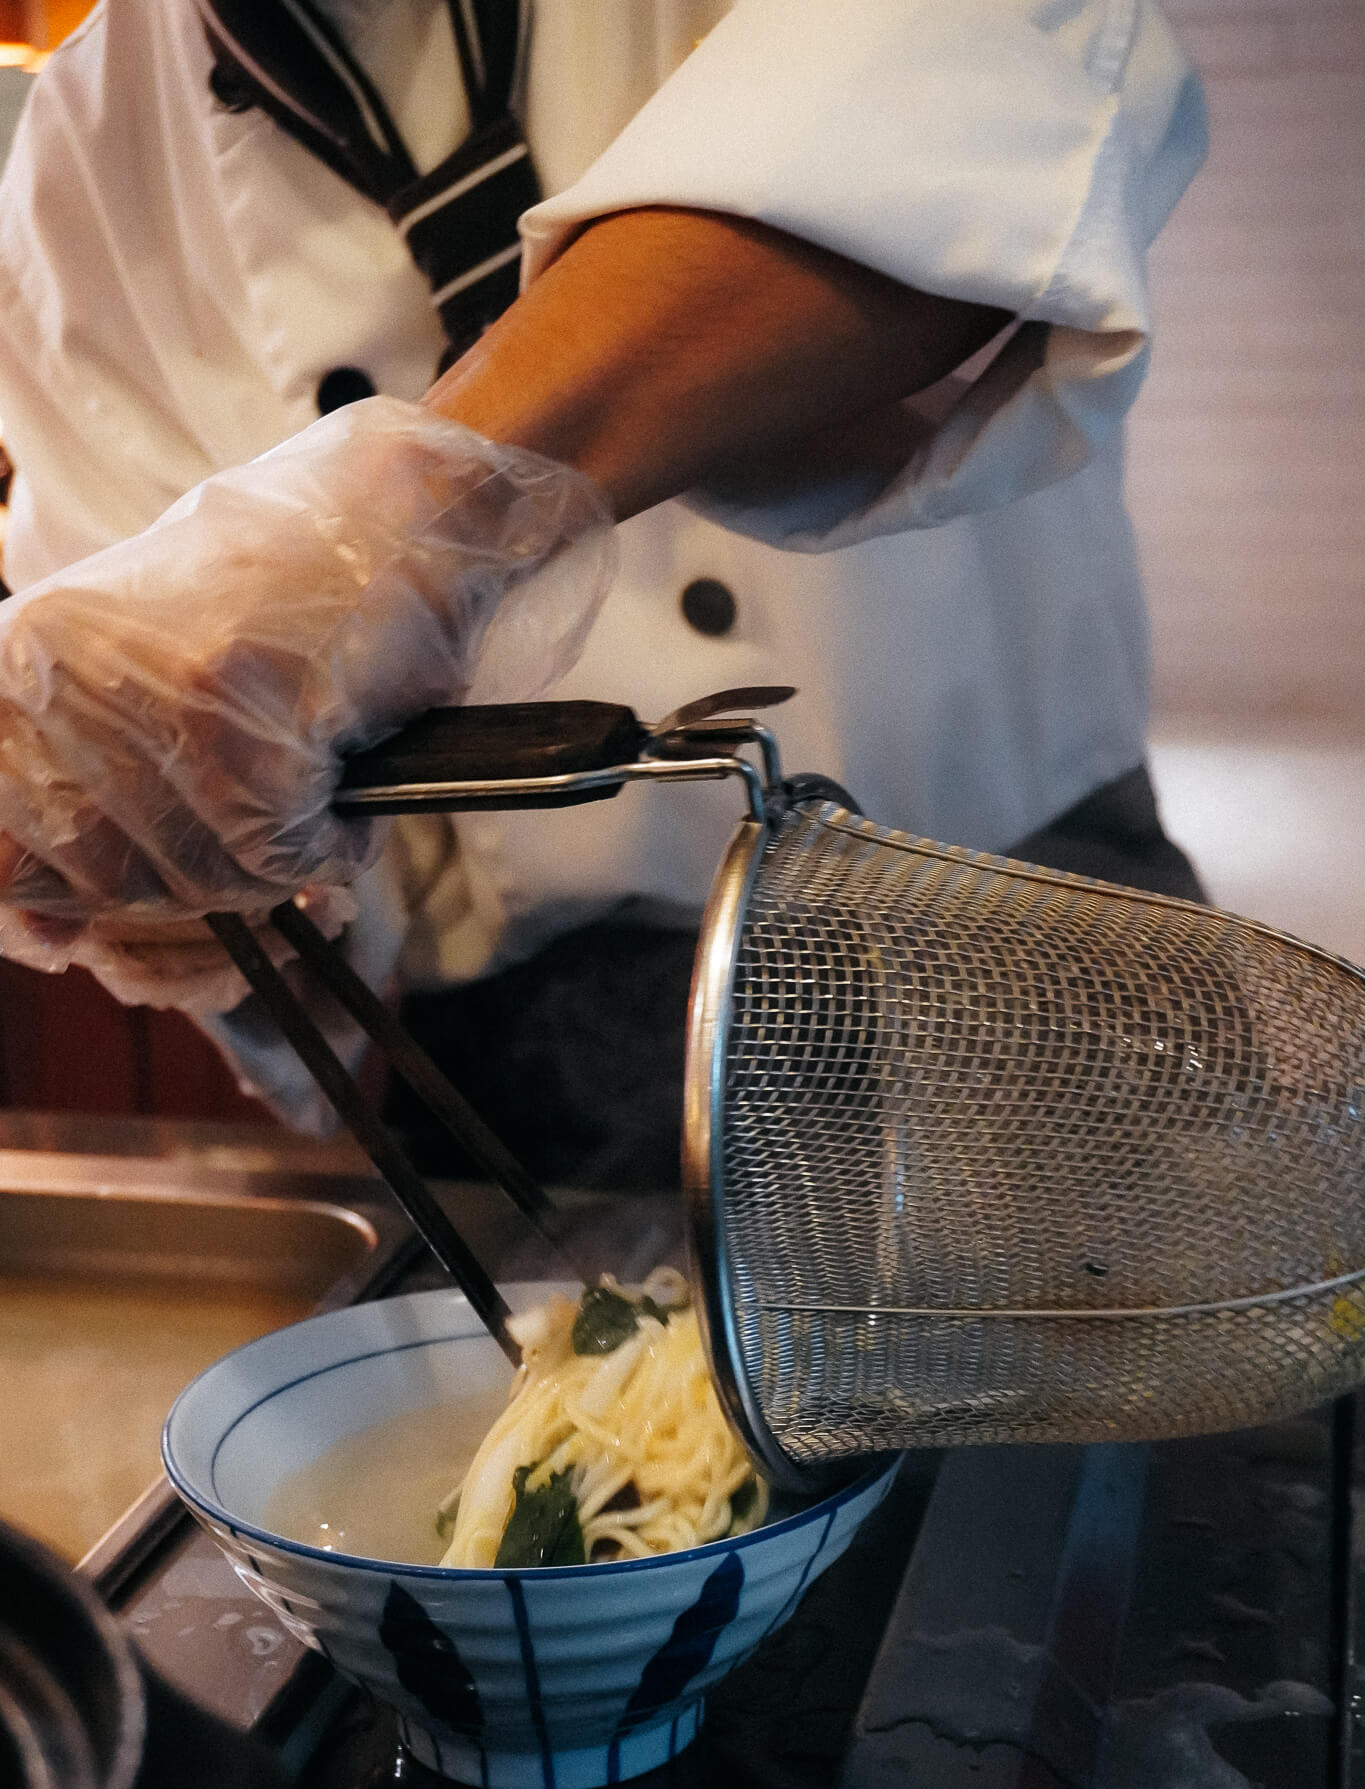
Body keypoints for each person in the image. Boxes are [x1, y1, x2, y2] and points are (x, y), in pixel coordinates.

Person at [0, 0, 1208, 1183]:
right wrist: (211, 870)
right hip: (541, 1069)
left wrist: (398, 521)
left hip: (1027, 934)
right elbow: (145, 729)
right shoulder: (85, 149)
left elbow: (971, 102)